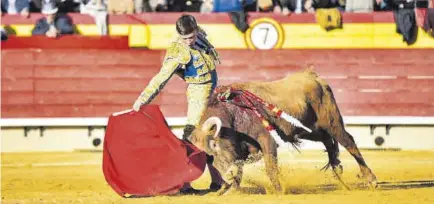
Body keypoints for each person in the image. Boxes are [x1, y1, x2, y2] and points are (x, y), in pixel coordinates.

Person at [132, 14, 222, 194]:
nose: (189, 41)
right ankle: (184, 184)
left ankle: (218, 182)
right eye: (185, 38)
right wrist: (142, 99)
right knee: (192, 137)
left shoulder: (200, 35)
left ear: (196, 30)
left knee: (215, 136)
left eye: (192, 36)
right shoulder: (178, 51)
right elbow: (161, 78)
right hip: (198, 94)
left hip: (213, 91)